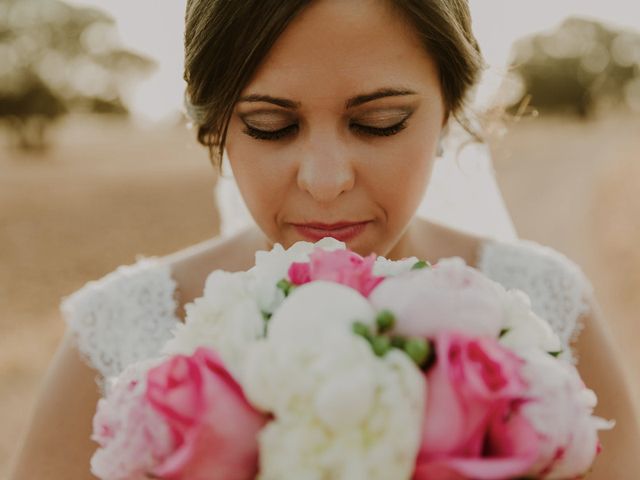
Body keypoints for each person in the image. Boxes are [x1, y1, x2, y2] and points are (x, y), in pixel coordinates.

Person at [10, 0, 639, 478]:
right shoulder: (113, 334)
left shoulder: (548, 306)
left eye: (378, 123)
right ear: (216, 125)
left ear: (448, 107)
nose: (326, 180)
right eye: (271, 126)